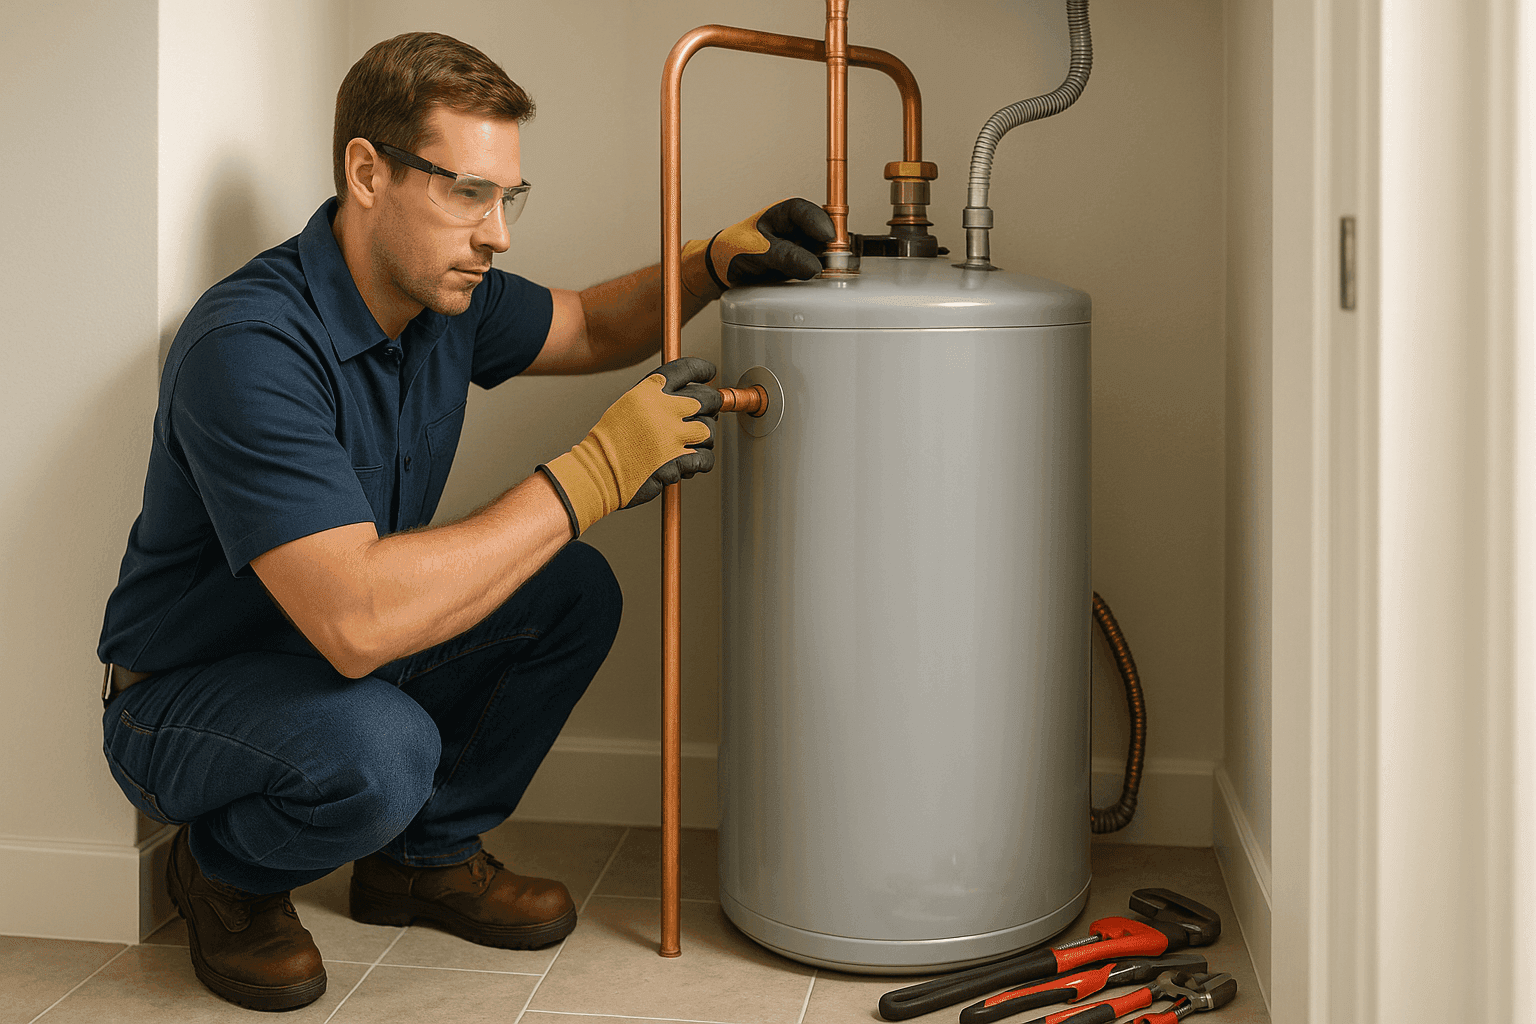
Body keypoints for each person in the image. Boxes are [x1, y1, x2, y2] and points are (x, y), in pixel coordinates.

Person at [97, 31, 833, 1013]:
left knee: (568, 590)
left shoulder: (442, 299)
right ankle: (225, 871)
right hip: (185, 700)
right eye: (468, 193)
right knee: (381, 745)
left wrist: (707, 264)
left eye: (507, 196)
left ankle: (421, 859)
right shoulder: (251, 346)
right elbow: (356, 619)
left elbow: (585, 323)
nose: (499, 234)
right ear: (367, 171)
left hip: (319, 662)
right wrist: (596, 470)